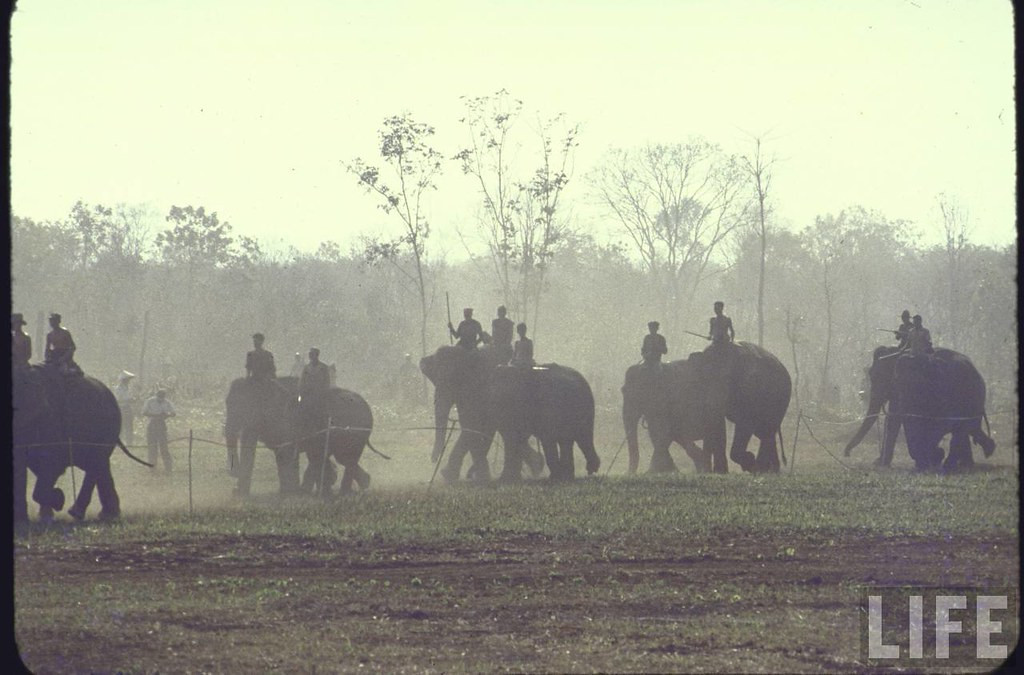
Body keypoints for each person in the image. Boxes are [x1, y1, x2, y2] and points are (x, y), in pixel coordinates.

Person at [142, 389, 176, 473]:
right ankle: (152, 468)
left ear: (164, 396)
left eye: (162, 397)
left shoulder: (167, 402)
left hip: (162, 425)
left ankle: (168, 468)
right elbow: (144, 412)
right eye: (159, 397)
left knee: (164, 447)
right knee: (152, 447)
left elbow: (173, 413)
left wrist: (167, 415)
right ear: (156, 395)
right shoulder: (150, 401)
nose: (160, 399)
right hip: (152, 424)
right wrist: (156, 415)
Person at [299, 348, 332, 426]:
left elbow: (327, 382)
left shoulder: (323, 368)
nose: (310, 356)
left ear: (316, 355)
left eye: (312, 354)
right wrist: (302, 392)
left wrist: (322, 392)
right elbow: (302, 381)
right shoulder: (306, 368)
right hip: (308, 395)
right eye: (310, 354)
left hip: (320, 396)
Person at [114, 371, 137, 446]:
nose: (129, 381)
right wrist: (129, 400)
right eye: (128, 380)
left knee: (129, 426)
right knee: (121, 426)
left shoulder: (127, 389)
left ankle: (129, 443)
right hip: (121, 408)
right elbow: (117, 400)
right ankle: (120, 443)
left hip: (128, 408)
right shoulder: (118, 389)